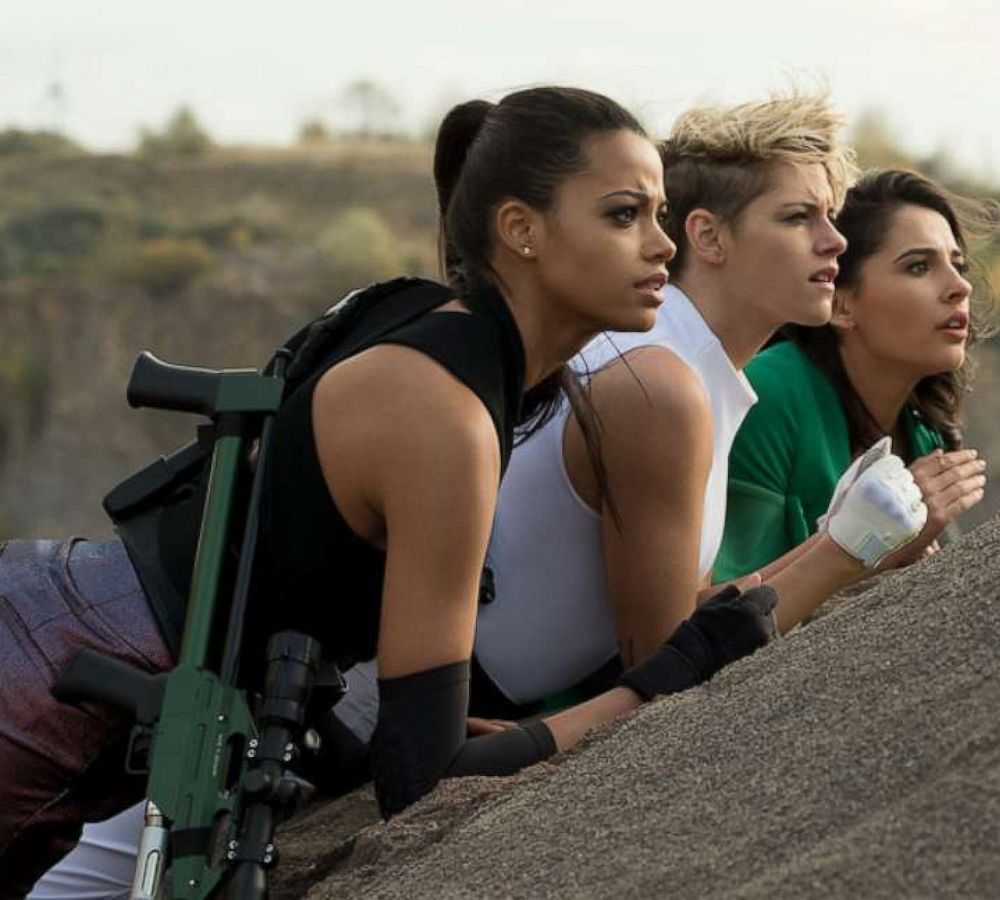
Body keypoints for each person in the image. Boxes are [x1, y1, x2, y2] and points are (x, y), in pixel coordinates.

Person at [2, 86, 776, 896]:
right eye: (625, 215)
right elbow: (423, 781)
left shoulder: (447, 334)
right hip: (52, 693)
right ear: (520, 231)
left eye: (659, 214)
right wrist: (663, 678)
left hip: (68, 649)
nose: (661, 246)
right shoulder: (446, 414)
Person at [470, 94, 931, 716]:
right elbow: (665, 659)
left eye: (831, 216)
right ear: (708, 237)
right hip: (384, 720)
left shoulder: (680, 360)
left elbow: (689, 604)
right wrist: (845, 552)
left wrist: (835, 537)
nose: (835, 242)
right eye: (799, 218)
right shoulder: (661, 383)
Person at [713, 169, 994, 582]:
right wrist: (880, 538)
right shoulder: (768, 396)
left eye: (959, 265)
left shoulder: (921, 435)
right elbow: (719, 622)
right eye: (918, 267)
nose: (959, 287)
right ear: (841, 306)